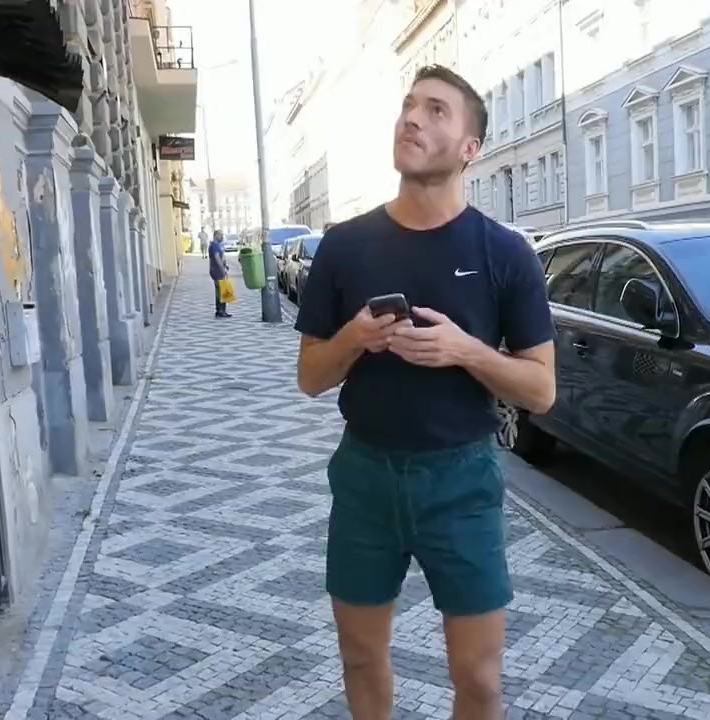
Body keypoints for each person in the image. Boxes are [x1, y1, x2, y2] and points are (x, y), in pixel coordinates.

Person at [293, 64, 556, 720]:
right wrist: (355, 336)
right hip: (366, 476)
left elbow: (542, 390)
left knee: (480, 679)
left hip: (463, 481)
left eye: (436, 110)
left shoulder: (505, 252)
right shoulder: (344, 246)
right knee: (360, 655)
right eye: (409, 105)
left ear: (470, 148)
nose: (412, 117)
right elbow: (310, 377)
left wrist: (465, 351)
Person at [208, 230, 231, 318]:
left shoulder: (215, 245)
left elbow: (220, 258)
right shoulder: (214, 246)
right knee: (222, 290)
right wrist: (222, 269)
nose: (222, 237)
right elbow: (217, 258)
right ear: (216, 235)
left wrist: (225, 265)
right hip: (217, 270)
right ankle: (221, 310)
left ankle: (219, 310)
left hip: (215, 270)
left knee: (219, 290)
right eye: (220, 235)